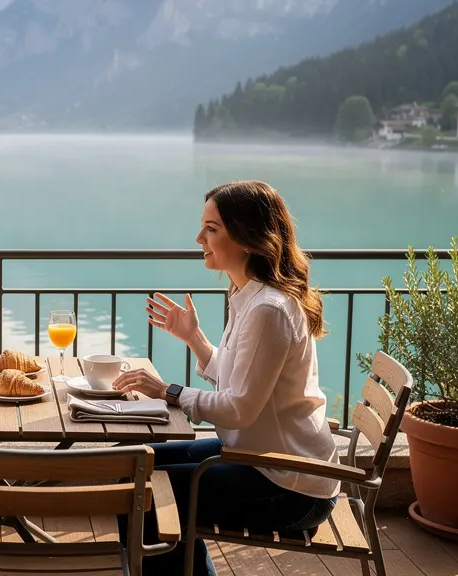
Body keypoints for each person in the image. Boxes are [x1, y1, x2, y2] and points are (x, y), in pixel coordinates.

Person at [112, 180, 340, 576]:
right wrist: (194, 339)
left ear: (249, 237)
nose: (199, 237)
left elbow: (239, 408)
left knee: (145, 497)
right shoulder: (248, 296)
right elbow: (240, 381)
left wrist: (170, 391)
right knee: (131, 467)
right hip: (260, 460)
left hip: (290, 486)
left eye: (211, 228)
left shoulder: (268, 309)